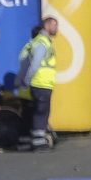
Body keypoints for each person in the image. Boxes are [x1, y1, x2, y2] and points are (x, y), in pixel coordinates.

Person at [16, 18, 59, 148]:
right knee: (41, 112)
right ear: (46, 25)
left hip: (43, 83)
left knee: (39, 111)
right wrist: (28, 81)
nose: (57, 28)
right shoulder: (42, 42)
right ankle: (38, 141)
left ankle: (32, 139)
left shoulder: (40, 42)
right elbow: (35, 65)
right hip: (40, 83)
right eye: (54, 25)